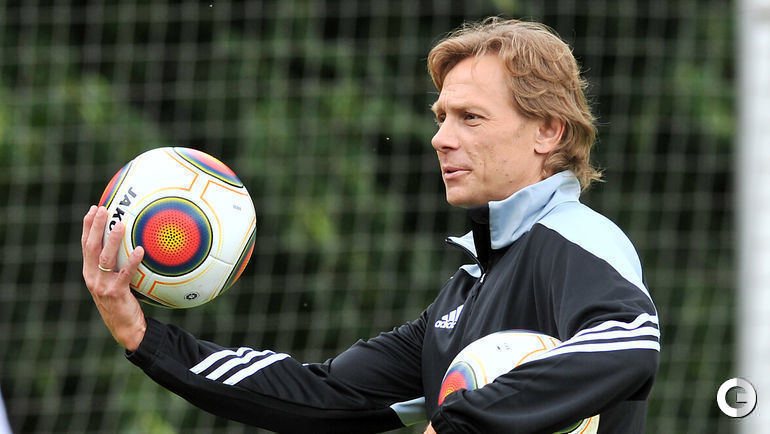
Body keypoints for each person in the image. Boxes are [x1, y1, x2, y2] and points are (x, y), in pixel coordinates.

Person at [81, 17, 659, 433]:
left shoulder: (577, 239)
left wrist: (461, 420)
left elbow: (628, 342)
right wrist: (142, 336)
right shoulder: (466, 293)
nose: (441, 138)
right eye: (440, 117)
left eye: (470, 117)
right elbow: (326, 395)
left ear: (549, 132)